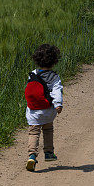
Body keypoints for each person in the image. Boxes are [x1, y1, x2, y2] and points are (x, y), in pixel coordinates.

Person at [24, 44, 63, 172]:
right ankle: (49, 153)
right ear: (53, 62)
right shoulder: (54, 77)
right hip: (47, 111)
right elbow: (57, 91)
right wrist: (58, 104)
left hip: (33, 110)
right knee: (48, 130)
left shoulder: (33, 74)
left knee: (34, 132)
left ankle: (32, 156)